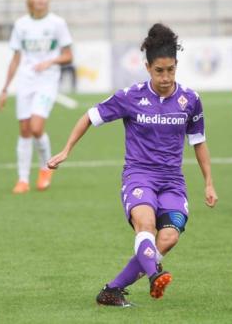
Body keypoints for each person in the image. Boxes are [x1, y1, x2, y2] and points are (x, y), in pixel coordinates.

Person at [48, 23, 218, 306]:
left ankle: (111, 290)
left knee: (168, 238)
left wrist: (209, 182)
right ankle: (154, 276)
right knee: (146, 225)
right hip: (139, 176)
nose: (165, 77)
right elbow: (89, 116)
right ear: (147, 67)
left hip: (173, 180)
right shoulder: (131, 96)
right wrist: (66, 150)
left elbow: (198, 141)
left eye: (171, 70)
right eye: (159, 71)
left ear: (177, 66)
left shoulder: (190, 100)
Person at [0, 0, 73, 194]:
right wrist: (5, 88)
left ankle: (45, 168)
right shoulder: (21, 24)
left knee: (36, 127)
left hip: (47, 81)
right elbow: (15, 58)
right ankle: (23, 180)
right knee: (24, 130)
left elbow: (68, 55)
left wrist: (51, 60)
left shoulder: (57, 23)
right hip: (26, 80)